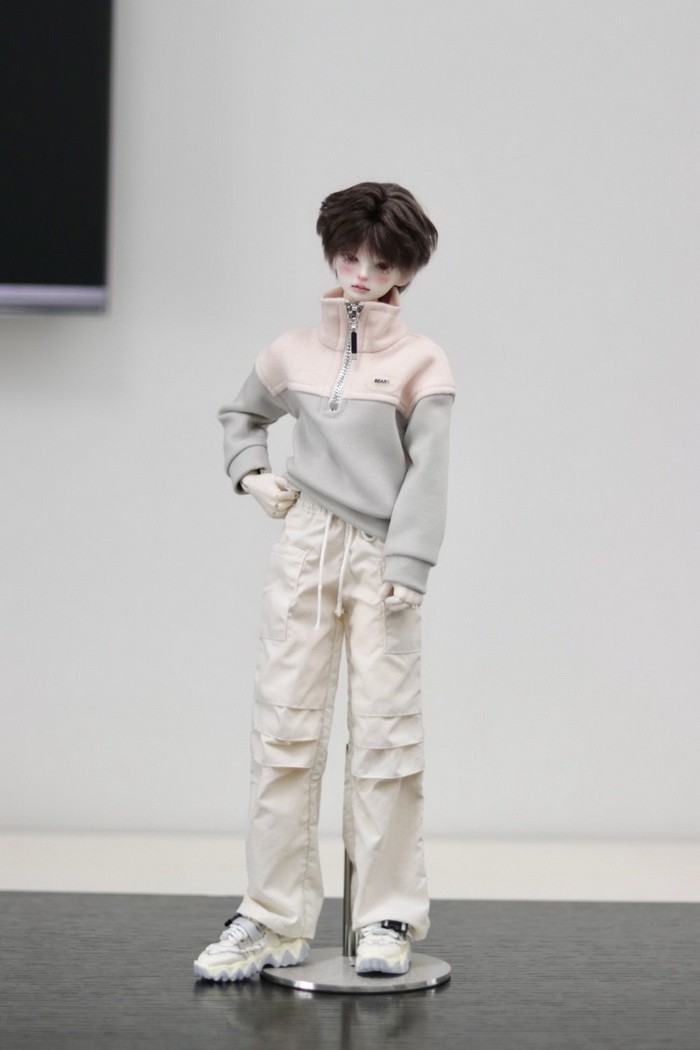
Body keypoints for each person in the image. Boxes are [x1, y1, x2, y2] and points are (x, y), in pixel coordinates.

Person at [194, 182, 455, 981]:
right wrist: (251, 474)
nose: (361, 273)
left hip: (381, 555)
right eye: (349, 255)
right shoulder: (291, 352)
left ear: (405, 269)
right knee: (284, 729)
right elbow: (241, 415)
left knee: (387, 737)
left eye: (380, 261)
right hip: (306, 543)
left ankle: (385, 917)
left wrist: (410, 563)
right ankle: (272, 916)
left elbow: (429, 472)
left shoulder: (421, 363)